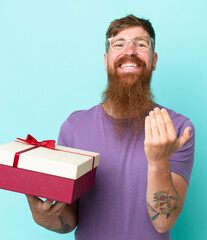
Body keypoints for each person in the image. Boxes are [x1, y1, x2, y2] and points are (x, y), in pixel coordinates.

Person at [26, 14, 195, 240]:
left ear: (154, 60)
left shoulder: (177, 128)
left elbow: (164, 220)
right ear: (106, 60)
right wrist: (45, 218)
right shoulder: (73, 128)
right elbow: (71, 216)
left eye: (141, 44)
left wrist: (158, 161)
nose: (130, 51)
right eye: (119, 44)